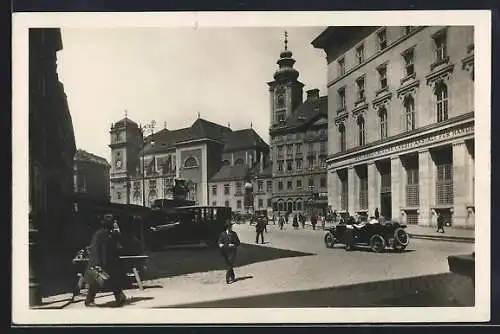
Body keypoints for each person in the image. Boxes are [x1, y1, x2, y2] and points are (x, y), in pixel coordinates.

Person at [84, 214, 127, 307]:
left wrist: (117, 231)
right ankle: (89, 300)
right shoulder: (99, 234)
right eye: (113, 223)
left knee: (111, 280)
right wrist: (97, 263)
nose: (114, 224)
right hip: (99, 262)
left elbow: (119, 244)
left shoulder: (111, 234)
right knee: (95, 282)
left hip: (108, 261)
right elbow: (95, 249)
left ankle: (119, 297)